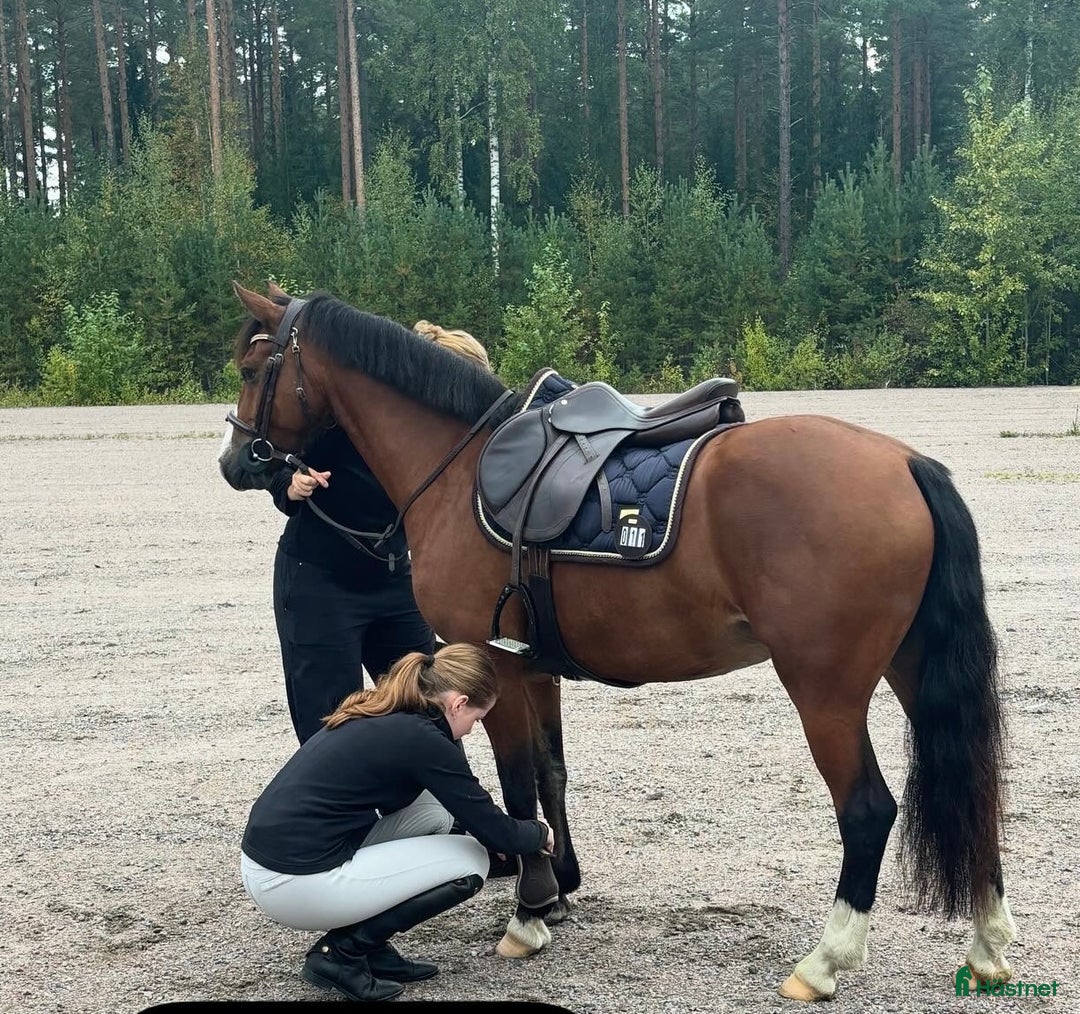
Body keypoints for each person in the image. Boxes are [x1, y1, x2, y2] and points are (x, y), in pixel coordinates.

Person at [240, 641, 555, 1002]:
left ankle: (373, 948)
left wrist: (496, 834)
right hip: (293, 884)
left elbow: (471, 815)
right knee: (470, 863)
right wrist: (539, 833)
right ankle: (342, 955)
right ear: (458, 704)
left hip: (275, 861)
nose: (470, 731)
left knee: (435, 814)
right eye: (476, 719)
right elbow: (499, 831)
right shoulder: (424, 741)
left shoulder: (389, 711)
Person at [267, 319, 491, 744]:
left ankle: (442, 808)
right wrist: (288, 484)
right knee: (331, 721)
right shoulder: (348, 418)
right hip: (319, 583)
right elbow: (272, 454)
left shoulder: (446, 441)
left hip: (393, 580)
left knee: (431, 708)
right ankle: (342, 808)